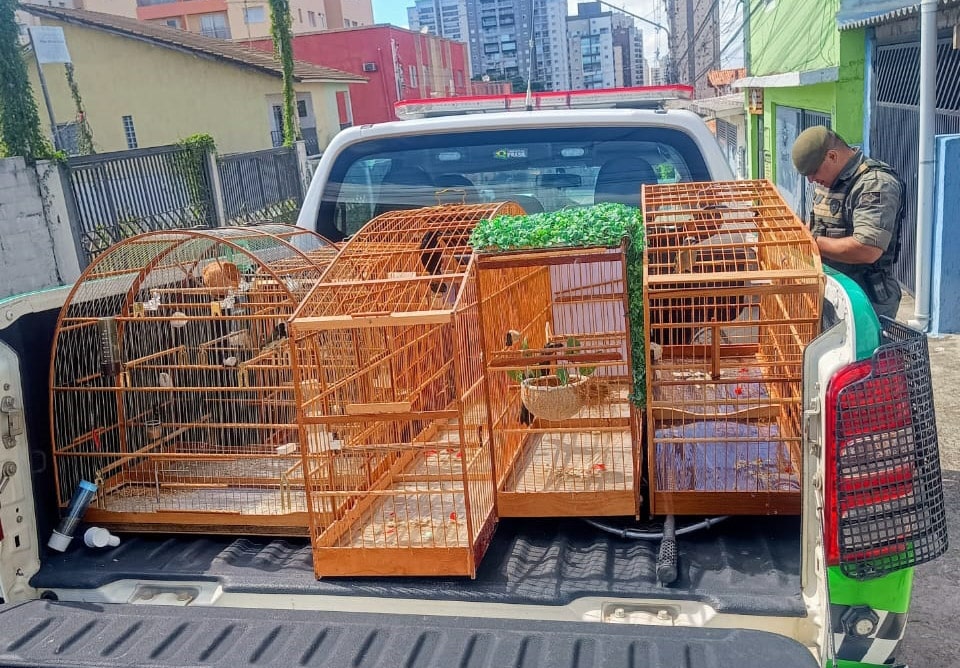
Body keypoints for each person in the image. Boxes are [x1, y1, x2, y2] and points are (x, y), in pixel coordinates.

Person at [791, 126, 905, 320]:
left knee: (861, 351)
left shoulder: (875, 184)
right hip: (832, 291)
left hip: (863, 299)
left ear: (832, 157)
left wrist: (811, 242)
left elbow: (867, 249)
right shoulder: (829, 181)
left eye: (813, 172)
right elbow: (821, 223)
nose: (811, 180)